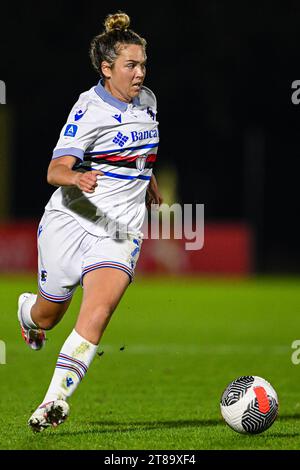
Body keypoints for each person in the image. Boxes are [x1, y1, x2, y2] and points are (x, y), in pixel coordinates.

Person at [17, 11, 162, 432]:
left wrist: (147, 179)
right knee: (48, 317)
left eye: (142, 64)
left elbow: (136, 149)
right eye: (130, 65)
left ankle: (52, 403)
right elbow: (54, 170)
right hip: (73, 219)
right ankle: (27, 313)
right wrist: (77, 175)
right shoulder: (88, 107)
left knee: (98, 313)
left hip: (121, 230)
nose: (139, 73)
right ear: (107, 68)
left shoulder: (148, 100)